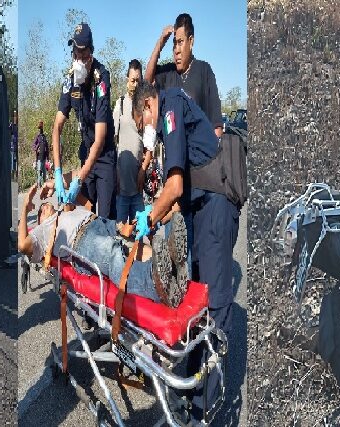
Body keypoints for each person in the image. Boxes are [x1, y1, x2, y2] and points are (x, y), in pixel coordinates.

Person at [132, 81, 240, 422]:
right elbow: (174, 196)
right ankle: (190, 387)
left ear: (148, 105)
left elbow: (175, 186)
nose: (144, 131)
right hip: (199, 211)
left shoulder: (169, 108)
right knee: (195, 300)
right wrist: (155, 220)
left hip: (216, 208)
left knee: (215, 303)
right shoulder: (167, 121)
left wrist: (146, 221)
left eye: (140, 123)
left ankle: (205, 410)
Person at [17, 182, 187, 305]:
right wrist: (25, 207)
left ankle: (171, 267)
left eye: (45, 205)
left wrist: (58, 182)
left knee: (136, 245)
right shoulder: (42, 230)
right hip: (82, 240)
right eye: (40, 211)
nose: (44, 207)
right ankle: (154, 284)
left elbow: (88, 203)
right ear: (39, 220)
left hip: (100, 223)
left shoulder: (64, 210)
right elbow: (23, 246)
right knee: (112, 252)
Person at [51, 22, 117, 219]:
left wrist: (79, 177)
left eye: (82, 53)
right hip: (86, 153)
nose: (78, 59)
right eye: (75, 54)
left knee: (104, 220)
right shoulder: (70, 81)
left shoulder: (101, 79)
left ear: (91, 53)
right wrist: (57, 171)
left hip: (104, 156)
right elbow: (57, 128)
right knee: (84, 216)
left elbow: (100, 139)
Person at [145, 13, 224, 138]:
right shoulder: (168, 72)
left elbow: (217, 126)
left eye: (180, 42)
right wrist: (161, 42)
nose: (176, 50)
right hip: (173, 154)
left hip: (198, 153)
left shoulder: (204, 70)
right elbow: (147, 82)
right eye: (174, 44)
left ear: (191, 41)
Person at [114, 59, 152, 223]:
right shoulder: (120, 104)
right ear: (126, 80)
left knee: (139, 235)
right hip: (121, 188)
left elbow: (150, 146)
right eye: (132, 80)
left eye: (138, 80)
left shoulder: (146, 107)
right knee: (121, 237)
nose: (135, 84)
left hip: (137, 188)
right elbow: (110, 142)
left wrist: (143, 170)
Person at [32, 121, 49, 187]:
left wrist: (48, 158)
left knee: (44, 172)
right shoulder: (37, 137)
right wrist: (37, 148)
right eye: (40, 129)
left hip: (44, 157)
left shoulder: (44, 137)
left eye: (41, 129)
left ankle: (44, 184)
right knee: (39, 171)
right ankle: (39, 185)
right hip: (39, 158)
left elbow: (47, 147)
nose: (41, 130)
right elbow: (33, 145)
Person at [10, 110, 18, 179]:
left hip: (17, 145)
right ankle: (12, 173)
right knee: (12, 159)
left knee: (15, 160)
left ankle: (16, 173)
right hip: (13, 145)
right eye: (14, 116)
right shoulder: (11, 125)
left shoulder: (17, 126)